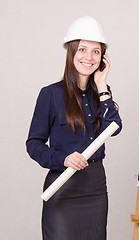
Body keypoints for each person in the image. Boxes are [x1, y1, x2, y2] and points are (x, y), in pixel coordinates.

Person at [26, 16, 122, 240]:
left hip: (95, 188)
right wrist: (64, 159)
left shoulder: (102, 93)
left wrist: (102, 85)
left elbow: (115, 127)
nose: (89, 57)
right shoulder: (50, 94)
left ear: (103, 57)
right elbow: (33, 144)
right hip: (63, 186)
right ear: (71, 52)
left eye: (96, 51)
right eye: (82, 49)